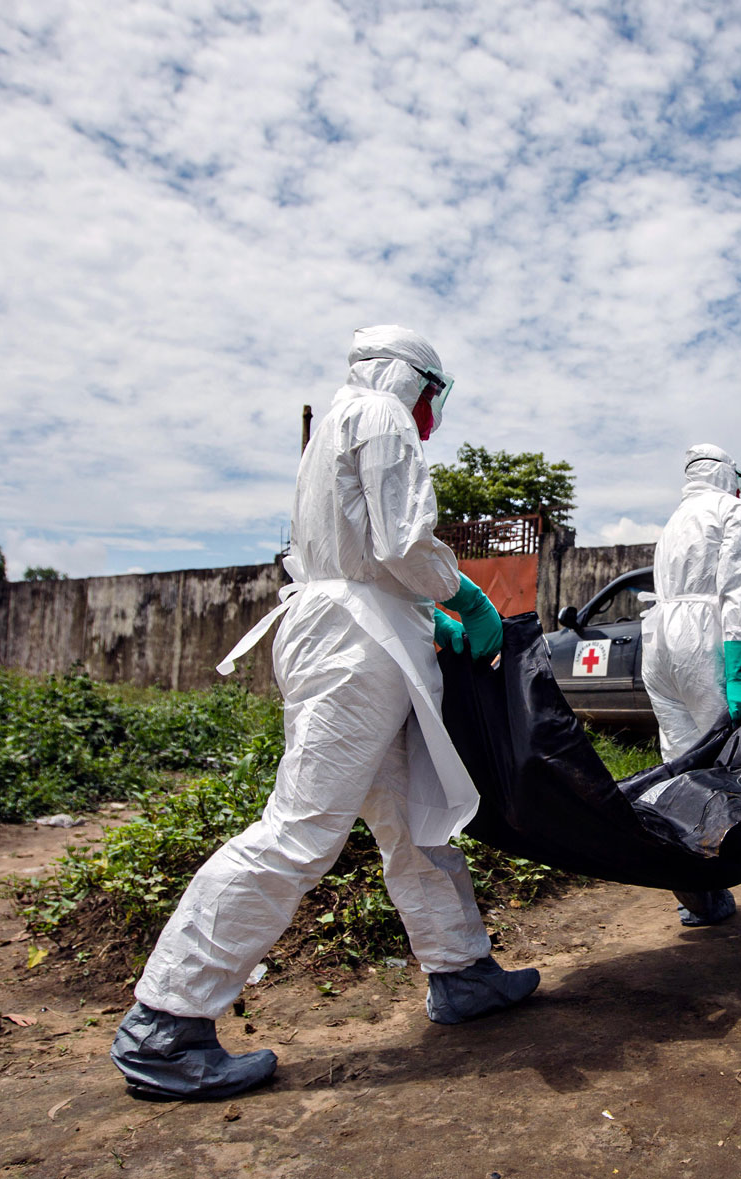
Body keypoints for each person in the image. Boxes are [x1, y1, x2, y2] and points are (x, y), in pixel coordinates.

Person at [111, 325, 538, 1100]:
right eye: (434, 396)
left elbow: (360, 550)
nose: (432, 412)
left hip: (359, 632)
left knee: (415, 818)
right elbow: (405, 539)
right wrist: (464, 595)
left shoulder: (336, 425)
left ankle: (463, 971)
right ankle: (166, 1023)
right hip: (356, 646)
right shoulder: (382, 417)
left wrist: (418, 611)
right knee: (302, 828)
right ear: (419, 384)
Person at [640, 443, 741, 927]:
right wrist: (738, 665)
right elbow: (734, 589)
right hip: (704, 642)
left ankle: (693, 886)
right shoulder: (732, 510)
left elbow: (680, 590)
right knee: (724, 764)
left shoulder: (675, 519)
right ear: (727, 476)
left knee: (679, 764)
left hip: (658, 643)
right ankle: (717, 869)